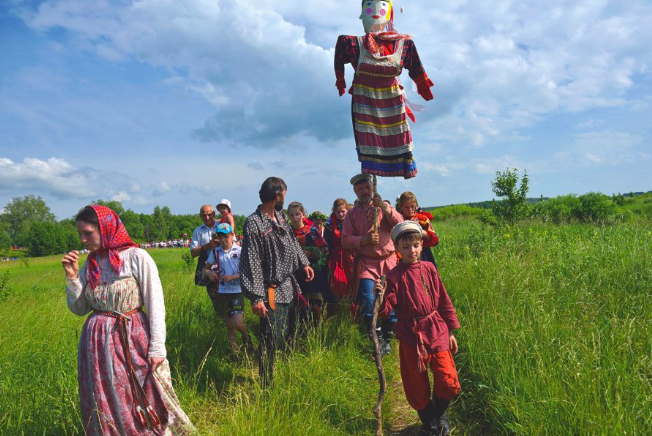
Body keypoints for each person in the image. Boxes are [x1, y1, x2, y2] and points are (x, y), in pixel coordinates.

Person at [61, 205, 194, 435]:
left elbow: (155, 303)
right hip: (97, 346)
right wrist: (72, 277)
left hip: (133, 338)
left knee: (142, 393)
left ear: (105, 228)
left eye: (88, 233)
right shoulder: (90, 263)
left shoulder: (136, 256)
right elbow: (80, 308)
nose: (83, 240)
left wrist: (156, 348)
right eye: (80, 235)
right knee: (106, 395)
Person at [375, 221, 461, 436]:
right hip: (411, 334)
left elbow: (443, 299)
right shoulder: (394, 277)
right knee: (416, 384)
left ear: (422, 245)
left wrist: (450, 329)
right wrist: (381, 295)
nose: (411, 251)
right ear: (397, 249)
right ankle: (430, 422)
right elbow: (386, 311)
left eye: (415, 245)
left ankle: (440, 414)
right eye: (405, 247)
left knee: (447, 378)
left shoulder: (430, 268)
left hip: (436, 327)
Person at [334, 0, 435, 179]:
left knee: (397, 136)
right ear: (362, 13)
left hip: (392, 102)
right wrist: (340, 80)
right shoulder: (351, 43)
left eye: (382, 6)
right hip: (365, 102)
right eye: (369, 6)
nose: (375, 10)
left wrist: (422, 84)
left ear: (389, 13)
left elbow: (417, 67)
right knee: (369, 140)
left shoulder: (404, 45)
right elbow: (339, 58)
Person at [239, 177, 314, 386]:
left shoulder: (280, 217)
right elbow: (250, 261)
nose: (284, 198)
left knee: (288, 334)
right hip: (269, 291)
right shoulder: (254, 223)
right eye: (284, 194)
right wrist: (256, 297)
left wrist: (303, 263)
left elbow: (291, 242)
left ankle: (281, 374)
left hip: (288, 287)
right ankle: (266, 384)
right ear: (276, 195)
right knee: (271, 338)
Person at [342, 173, 403, 355]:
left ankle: (387, 340)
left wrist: (383, 207)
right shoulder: (351, 214)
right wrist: (364, 239)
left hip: (389, 262)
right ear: (355, 191)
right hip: (367, 263)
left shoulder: (384, 207)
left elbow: (400, 224)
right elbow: (345, 240)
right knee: (369, 301)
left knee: (391, 300)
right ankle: (374, 340)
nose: (364, 191)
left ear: (372, 187)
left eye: (367, 187)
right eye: (360, 188)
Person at [203, 223, 253, 359]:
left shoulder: (240, 251)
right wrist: (209, 273)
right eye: (221, 236)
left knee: (238, 323)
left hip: (237, 291)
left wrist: (233, 277)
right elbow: (205, 268)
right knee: (229, 324)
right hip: (222, 292)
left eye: (226, 236)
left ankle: (246, 337)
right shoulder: (216, 252)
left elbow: (247, 271)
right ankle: (235, 353)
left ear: (232, 235)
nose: (224, 239)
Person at [396, 191, 439, 268]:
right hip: (404, 255)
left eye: (412, 206)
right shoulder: (398, 220)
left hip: (423, 254)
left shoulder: (422, 219)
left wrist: (424, 233)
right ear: (401, 207)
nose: (410, 209)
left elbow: (435, 240)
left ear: (416, 205)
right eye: (406, 207)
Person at [324, 198, 355, 300]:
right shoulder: (329, 225)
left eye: (343, 211)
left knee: (351, 279)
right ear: (334, 212)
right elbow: (327, 242)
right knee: (338, 280)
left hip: (350, 256)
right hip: (337, 257)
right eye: (338, 212)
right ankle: (339, 305)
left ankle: (351, 305)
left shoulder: (352, 222)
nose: (341, 214)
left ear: (347, 210)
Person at [190, 204, 220, 286]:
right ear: (200, 216)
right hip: (208, 270)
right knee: (212, 294)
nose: (207, 218)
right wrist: (208, 246)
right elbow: (193, 253)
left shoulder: (222, 226)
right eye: (204, 215)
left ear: (214, 214)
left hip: (225, 268)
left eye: (209, 214)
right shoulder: (198, 231)